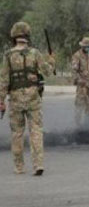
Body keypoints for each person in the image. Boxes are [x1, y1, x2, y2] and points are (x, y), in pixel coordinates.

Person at [0, 21, 55, 175]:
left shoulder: (8, 55)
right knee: (36, 130)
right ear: (27, 36)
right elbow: (48, 72)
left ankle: (19, 167)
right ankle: (38, 164)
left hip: (15, 99)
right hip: (33, 97)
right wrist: (51, 60)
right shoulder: (35, 53)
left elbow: (4, 80)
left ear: (14, 37)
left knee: (17, 133)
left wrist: (1, 101)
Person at [71, 37, 89, 127]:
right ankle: (78, 125)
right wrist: (79, 80)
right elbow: (74, 71)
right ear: (83, 46)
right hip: (82, 86)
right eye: (87, 46)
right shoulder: (77, 55)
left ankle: (88, 125)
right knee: (79, 105)